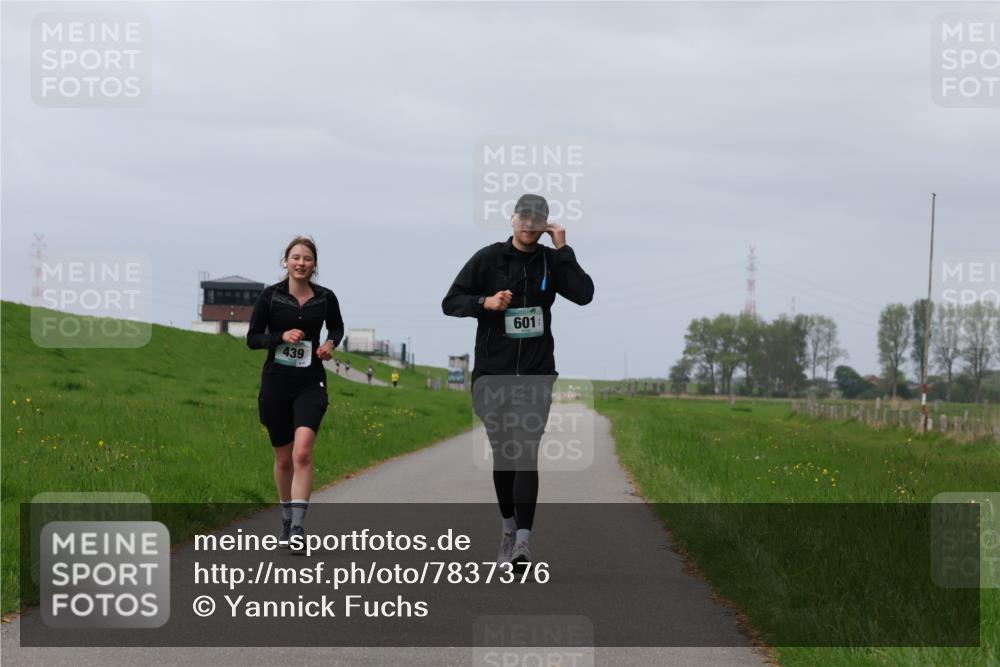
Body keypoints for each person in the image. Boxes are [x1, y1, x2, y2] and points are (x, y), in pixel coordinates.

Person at [442, 194, 593, 568]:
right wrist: (485, 303)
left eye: (538, 218)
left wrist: (563, 248)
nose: (529, 223)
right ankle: (508, 529)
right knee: (505, 454)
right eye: (524, 216)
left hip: (536, 375)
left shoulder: (550, 261)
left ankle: (523, 543)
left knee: (525, 452)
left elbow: (584, 294)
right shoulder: (489, 258)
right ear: (512, 219)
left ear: (545, 224)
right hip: (493, 373)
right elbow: (451, 301)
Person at [247, 236, 343, 552]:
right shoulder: (270, 297)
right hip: (276, 383)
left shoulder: (325, 298)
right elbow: (253, 338)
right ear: (285, 261)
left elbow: (337, 329)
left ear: (314, 265)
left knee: (302, 451)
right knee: (283, 457)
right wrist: (280, 336)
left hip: (310, 382)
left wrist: (329, 346)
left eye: (307, 259)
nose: (301, 263)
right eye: (295, 257)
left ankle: (299, 527)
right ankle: (286, 517)